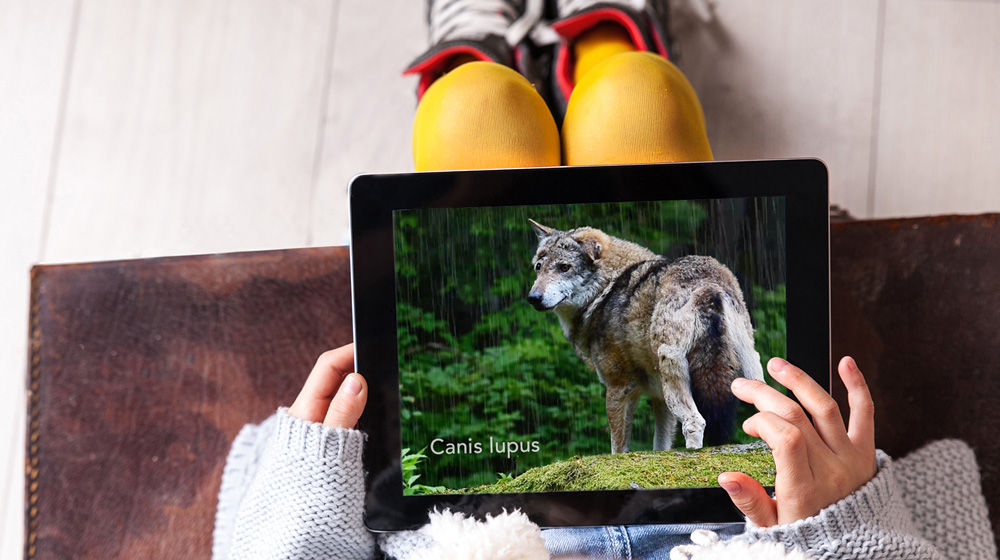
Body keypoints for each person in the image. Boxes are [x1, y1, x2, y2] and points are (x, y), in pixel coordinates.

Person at [213, 1, 997, 558]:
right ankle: (605, 43)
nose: (538, 290)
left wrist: (302, 510)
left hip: (462, 535)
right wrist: (834, 532)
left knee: (472, 109)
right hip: (752, 526)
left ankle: (477, 56)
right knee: (635, 101)